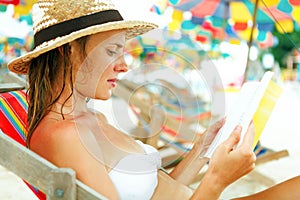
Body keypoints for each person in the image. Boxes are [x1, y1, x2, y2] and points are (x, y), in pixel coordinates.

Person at [7, 0, 300, 199]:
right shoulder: (63, 135)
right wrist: (217, 179)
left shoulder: (93, 119)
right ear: (68, 50)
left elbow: (160, 190)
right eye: (112, 52)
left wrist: (203, 148)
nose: (124, 65)